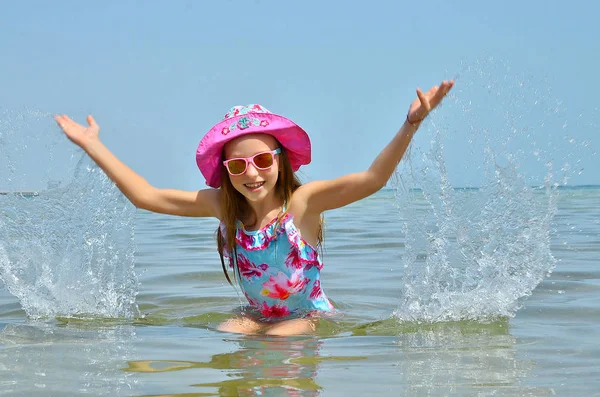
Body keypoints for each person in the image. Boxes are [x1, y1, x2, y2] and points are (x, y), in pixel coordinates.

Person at [54, 80, 454, 336]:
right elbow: (145, 196)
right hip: (256, 314)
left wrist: (410, 123)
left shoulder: (303, 204)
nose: (252, 174)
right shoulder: (222, 209)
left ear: (281, 161)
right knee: (227, 333)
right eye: (237, 165)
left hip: (306, 318)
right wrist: (93, 145)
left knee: (278, 342)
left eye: (262, 161)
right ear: (225, 172)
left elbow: (372, 180)